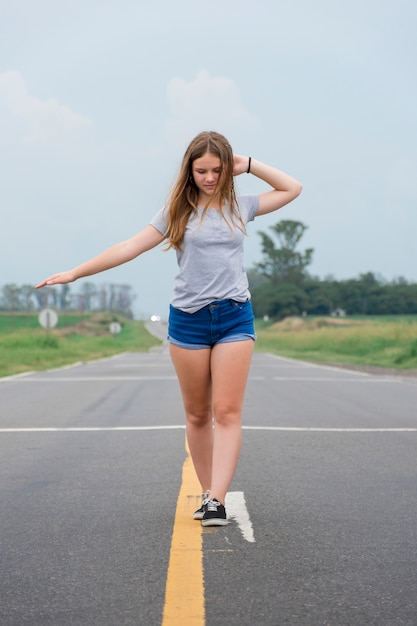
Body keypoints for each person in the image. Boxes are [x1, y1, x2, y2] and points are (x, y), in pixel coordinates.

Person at [36, 130, 302, 526]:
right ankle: (208, 491)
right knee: (197, 415)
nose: (209, 178)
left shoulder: (241, 206)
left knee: (226, 411)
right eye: (201, 171)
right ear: (189, 171)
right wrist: (76, 273)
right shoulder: (176, 212)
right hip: (189, 320)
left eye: (216, 170)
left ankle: (216, 499)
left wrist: (248, 163)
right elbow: (129, 247)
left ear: (227, 169)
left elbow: (292, 188)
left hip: (234, 315)